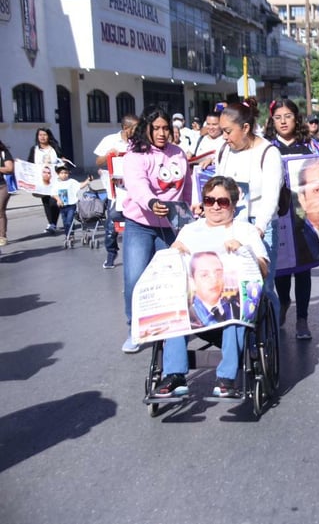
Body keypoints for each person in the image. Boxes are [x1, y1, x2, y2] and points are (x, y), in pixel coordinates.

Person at [154, 176, 269, 399]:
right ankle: (174, 375)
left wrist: (246, 251)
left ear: (233, 206)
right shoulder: (189, 230)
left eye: (223, 202)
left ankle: (226, 378)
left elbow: (263, 269)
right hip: (196, 301)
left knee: (234, 304)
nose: (215, 206)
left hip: (231, 300)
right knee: (176, 302)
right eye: (209, 200)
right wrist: (173, 252)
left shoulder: (245, 231)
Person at [121, 106, 193, 353]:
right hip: (139, 225)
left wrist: (188, 214)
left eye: (165, 128)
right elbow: (137, 185)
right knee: (135, 278)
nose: (162, 133)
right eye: (156, 128)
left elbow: (186, 188)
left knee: (169, 281)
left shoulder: (179, 154)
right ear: (147, 129)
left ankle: (168, 327)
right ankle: (135, 328)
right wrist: (152, 202)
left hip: (171, 226)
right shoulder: (134, 155)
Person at [212, 98, 282, 320]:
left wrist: (258, 230)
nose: (224, 137)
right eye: (222, 131)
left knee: (263, 286)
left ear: (245, 128)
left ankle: (269, 337)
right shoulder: (224, 150)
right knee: (232, 285)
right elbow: (218, 186)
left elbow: (271, 196)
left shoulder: (269, 153)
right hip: (230, 224)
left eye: (228, 131)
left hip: (259, 225)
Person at [265, 98, 319, 339]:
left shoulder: (311, 146)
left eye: (287, 116)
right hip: (278, 216)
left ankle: (302, 319)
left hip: (303, 219)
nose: (283, 121)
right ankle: (283, 304)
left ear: (296, 119)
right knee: (280, 269)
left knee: (303, 270)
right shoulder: (267, 148)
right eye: (278, 117)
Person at [94, 113, 139, 269]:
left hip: (133, 189)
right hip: (115, 190)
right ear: (126, 128)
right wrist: (109, 155)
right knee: (112, 223)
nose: (137, 131)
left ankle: (133, 256)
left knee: (133, 223)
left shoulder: (138, 142)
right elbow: (98, 161)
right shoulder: (110, 140)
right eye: (135, 128)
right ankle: (111, 254)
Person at [187, 251, 240, 328]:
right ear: (192, 281)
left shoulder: (235, 307)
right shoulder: (189, 316)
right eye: (204, 275)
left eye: (218, 273)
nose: (214, 279)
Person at [27, 128, 66, 234]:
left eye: (44, 135)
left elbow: (62, 161)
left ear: (49, 136)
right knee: (46, 202)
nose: (42, 137)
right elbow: (30, 163)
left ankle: (53, 222)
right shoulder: (34, 149)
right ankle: (51, 223)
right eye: (40, 135)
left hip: (55, 179)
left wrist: (63, 163)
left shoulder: (55, 148)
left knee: (54, 201)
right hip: (42, 180)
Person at [52, 165, 91, 241]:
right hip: (62, 205)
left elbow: (80, 186)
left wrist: (87, 181)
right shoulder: (56, 183)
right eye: (62, 173)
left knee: (69, 220)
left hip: (71, 205)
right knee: (65, 221)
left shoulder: (71, 181)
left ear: (68, 173)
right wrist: (58, 200)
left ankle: (70, 235)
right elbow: (53, 193)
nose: (64, 174)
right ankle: (68, 235)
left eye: (65, 173)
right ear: (58, 174)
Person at [0, 140, 14, 247]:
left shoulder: (4, 153)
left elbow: (9, 168)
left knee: (0, 209)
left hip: (3, 185)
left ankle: (2, 236)